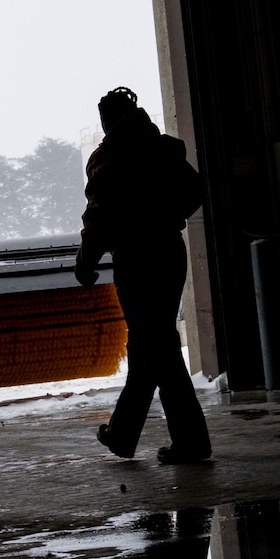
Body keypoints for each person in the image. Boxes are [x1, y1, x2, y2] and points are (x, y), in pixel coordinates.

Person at [74, 87, 212, 464]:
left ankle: (191, 442)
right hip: (169, 251)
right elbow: (194, 191)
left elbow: (98, 218)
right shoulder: (162, 148)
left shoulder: (109, 159)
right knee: (151, 344)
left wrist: (86, 262)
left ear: (108, 120)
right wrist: (166, 216)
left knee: (159, 349)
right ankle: (123, 434)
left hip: (135, 260)